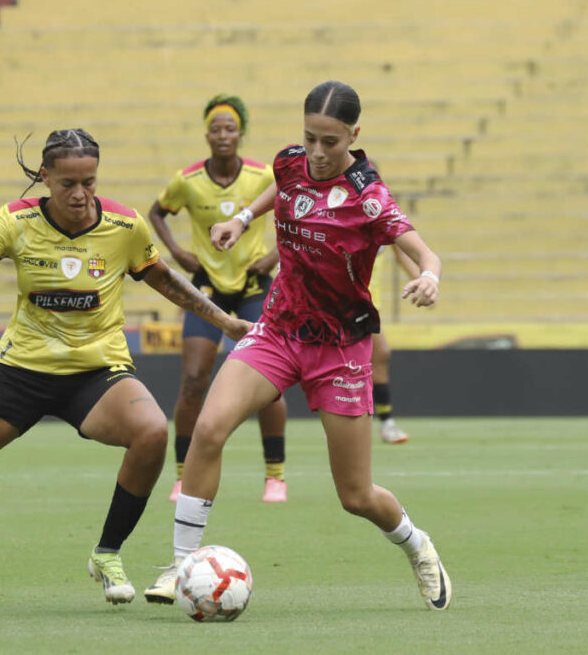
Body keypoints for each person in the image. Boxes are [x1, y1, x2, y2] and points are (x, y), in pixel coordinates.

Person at [0, 129, 250, 611]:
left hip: (96, 371)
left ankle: (107, 554)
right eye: (67, 184)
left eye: (89, 182)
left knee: (151, 431)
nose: (80, 195)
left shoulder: (125, 227)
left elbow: (165, 280)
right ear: (45, 178)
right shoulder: (16, 220)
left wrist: (224, 321)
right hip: (21, 371)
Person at [143, 81, 452, 611]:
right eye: (309, 137)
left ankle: (417, 545)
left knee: (355, 496)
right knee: (208, 428)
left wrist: (429, 278)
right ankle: (181, 565)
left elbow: (422, 252)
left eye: (330, 141)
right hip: (280, 329)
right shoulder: (289, 163)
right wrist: (241, 220)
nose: (317, 152)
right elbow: (283, 188)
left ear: (354, 135)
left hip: (341, 347)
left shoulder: (368, 197)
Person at [148, 94, 288, 504]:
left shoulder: (263, 176)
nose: (223, 135)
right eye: (216, 129)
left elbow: (296, 208)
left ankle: (275, 475)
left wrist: (276, 255)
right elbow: (157, 212)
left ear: (240, 133)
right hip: (205, 287)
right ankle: (181, 474)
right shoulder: (188, 180)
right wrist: (176, 251)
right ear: (206, 134)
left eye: (230, 128)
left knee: (269, 383)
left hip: (253, 285)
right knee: (193, 381)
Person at [370, 244, 420, 444]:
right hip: (347, 301)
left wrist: (421, 280)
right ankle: (386, 423)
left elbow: (403, 253)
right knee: (378, 353)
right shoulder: (343, 217)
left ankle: (386, 423)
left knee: (379, 355)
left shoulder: (385, 216)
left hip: (369, 303)